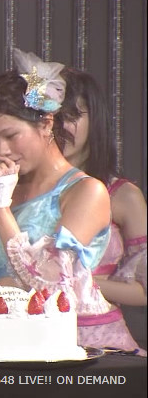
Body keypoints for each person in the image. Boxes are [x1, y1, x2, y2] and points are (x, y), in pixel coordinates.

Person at [0, 48, 142, 354]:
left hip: (70, 350)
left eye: (11, 136)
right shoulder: (0, 192)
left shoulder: (87, 191)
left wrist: (2, 209)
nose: (1, 150)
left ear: (46, 124)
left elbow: (52, 283)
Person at [61, 67, 147, 348]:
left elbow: (144, 290)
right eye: (53, 118)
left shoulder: (123, 196)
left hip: (100, 338)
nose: (61, 127)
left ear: (95, 118)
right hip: (31, 334)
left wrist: (78, 282)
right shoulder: (23, 192)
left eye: (72, 116)